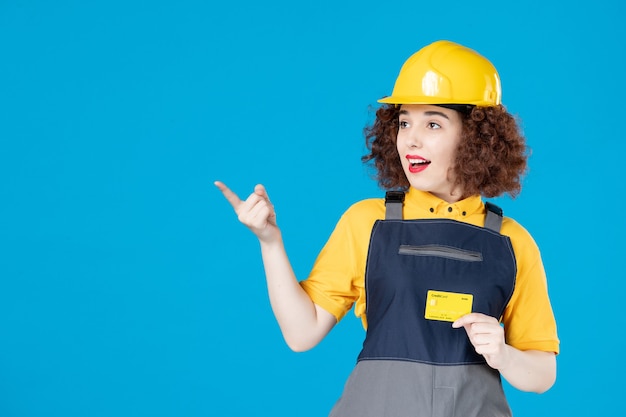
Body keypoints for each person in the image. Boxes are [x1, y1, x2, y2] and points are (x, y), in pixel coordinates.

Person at [215, 40, 559, 417]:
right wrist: (270, 241)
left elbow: (542, 374)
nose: (410, 138)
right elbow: (302, 333)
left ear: (477, 138)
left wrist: (504, 355)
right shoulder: (367, 222)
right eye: (404, 122)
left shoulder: (512, 243)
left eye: (432, 123)